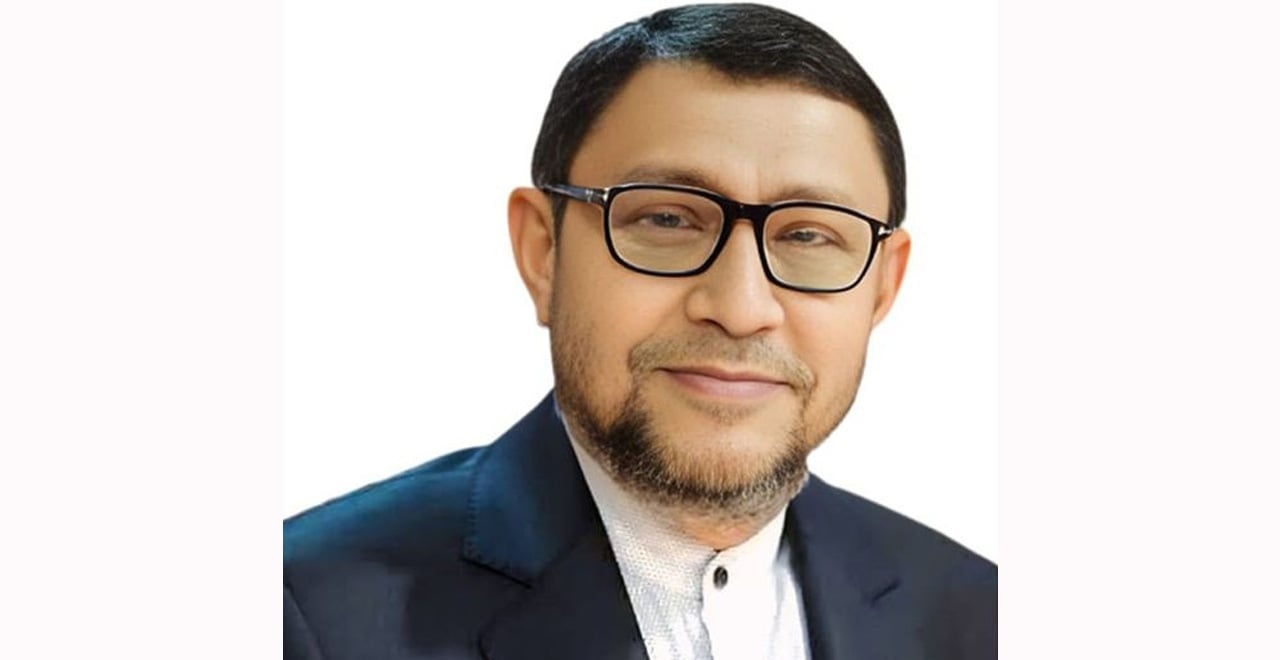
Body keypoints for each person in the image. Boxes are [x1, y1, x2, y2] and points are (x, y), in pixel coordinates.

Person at [284, 3, 996, 659]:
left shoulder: (983, 616)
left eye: (808, 235)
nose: (741, 306)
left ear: (883, 286)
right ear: (543, 253)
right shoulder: (305, 613)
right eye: (667, 219)